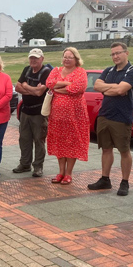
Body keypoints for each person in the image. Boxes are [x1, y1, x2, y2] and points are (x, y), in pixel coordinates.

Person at [88, 42, 133, 196]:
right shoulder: (108, 70)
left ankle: (125, 182)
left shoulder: (132, 72)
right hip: (104, 115)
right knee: (106, 148)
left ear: (126, 53)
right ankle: (105, 179)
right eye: (113, 54)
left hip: (122, 117)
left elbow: (121, 89)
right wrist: (114, 89)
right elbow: (97, 86)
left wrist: (112, 88)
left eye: (118, 53)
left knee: (124, 150)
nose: (115, 56)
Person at [45, 47, 90, 185]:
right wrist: (66, 84)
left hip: (75, 116)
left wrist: (58, 88)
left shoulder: (80, 72)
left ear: (76, 59)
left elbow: (78, 88)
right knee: (60, 143)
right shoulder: (56, 70)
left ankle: (68, 173)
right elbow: (49, 83)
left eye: (70, 57)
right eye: (65, 56)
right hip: (57, 116)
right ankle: (60, 172)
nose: (67, 59)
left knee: (72, 143)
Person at [13, 48, 52, 177]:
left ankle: (38, 167)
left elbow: (40, 92)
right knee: (24, 139)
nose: (33, 60)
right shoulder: (26, 69)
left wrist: (26, 86)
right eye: (31, 58)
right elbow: (17, 87)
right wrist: (33, 90)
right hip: (25, 111)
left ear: (42, 58)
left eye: (36, 58)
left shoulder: (47, 72)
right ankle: (24, 164)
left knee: (39, 140)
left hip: (39, 112)